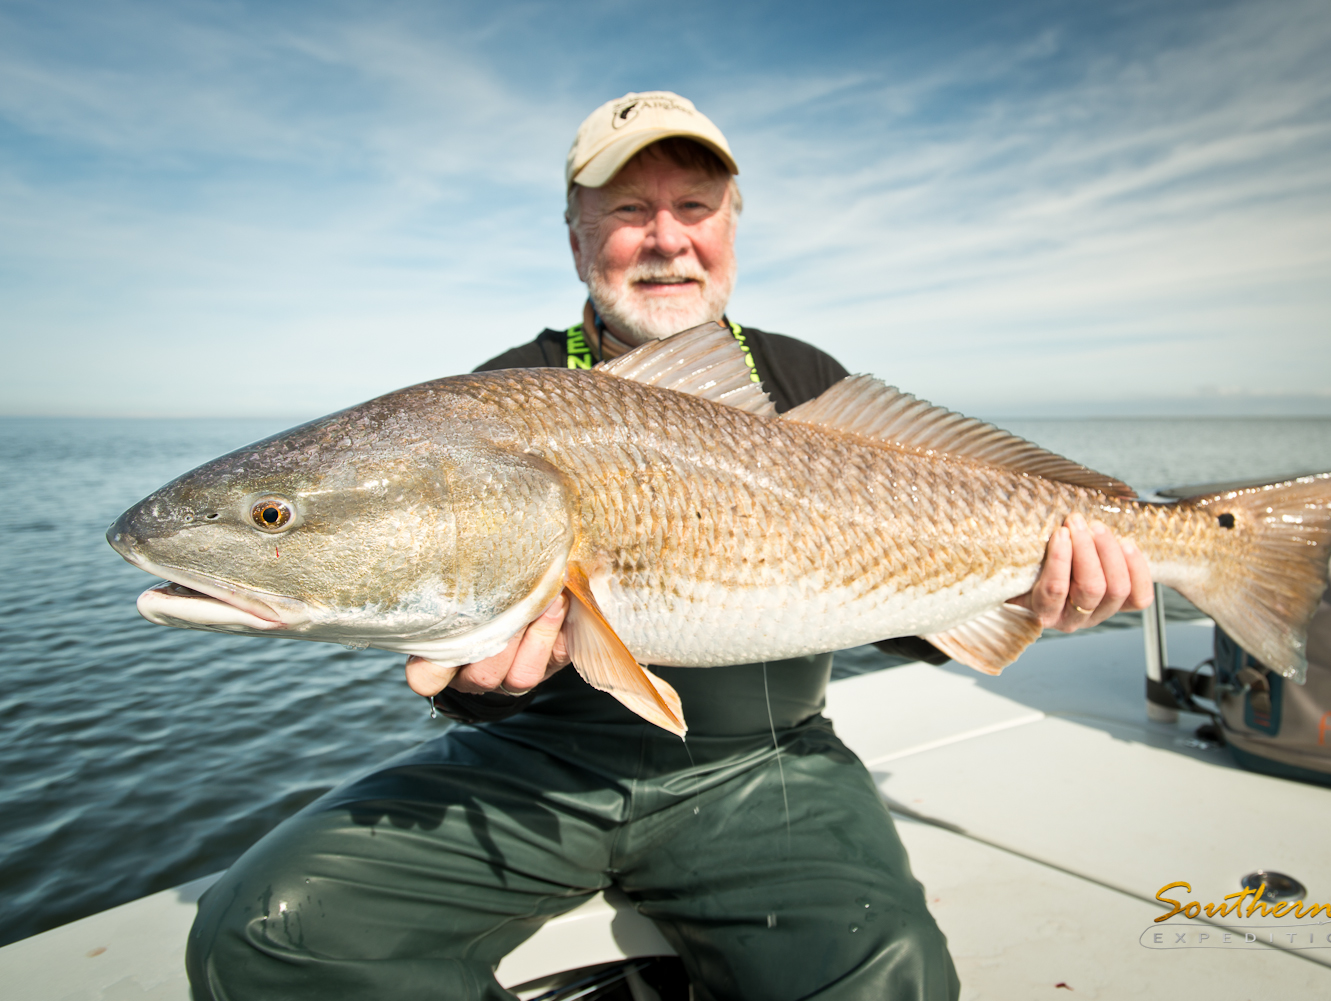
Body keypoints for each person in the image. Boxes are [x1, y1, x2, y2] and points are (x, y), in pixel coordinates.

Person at [187, 92, 1153, 1001]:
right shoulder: (493, 398)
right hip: (542, 764)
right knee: (263, 930)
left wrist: (1037, 593)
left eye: (695, 205)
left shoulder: (800, 378)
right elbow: (458, 639)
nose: (666, 239)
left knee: (886, 972)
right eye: (627, 211)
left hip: (766, 763)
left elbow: (866, 597)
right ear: (576, 240)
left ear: (730, 228)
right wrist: (484, 693)